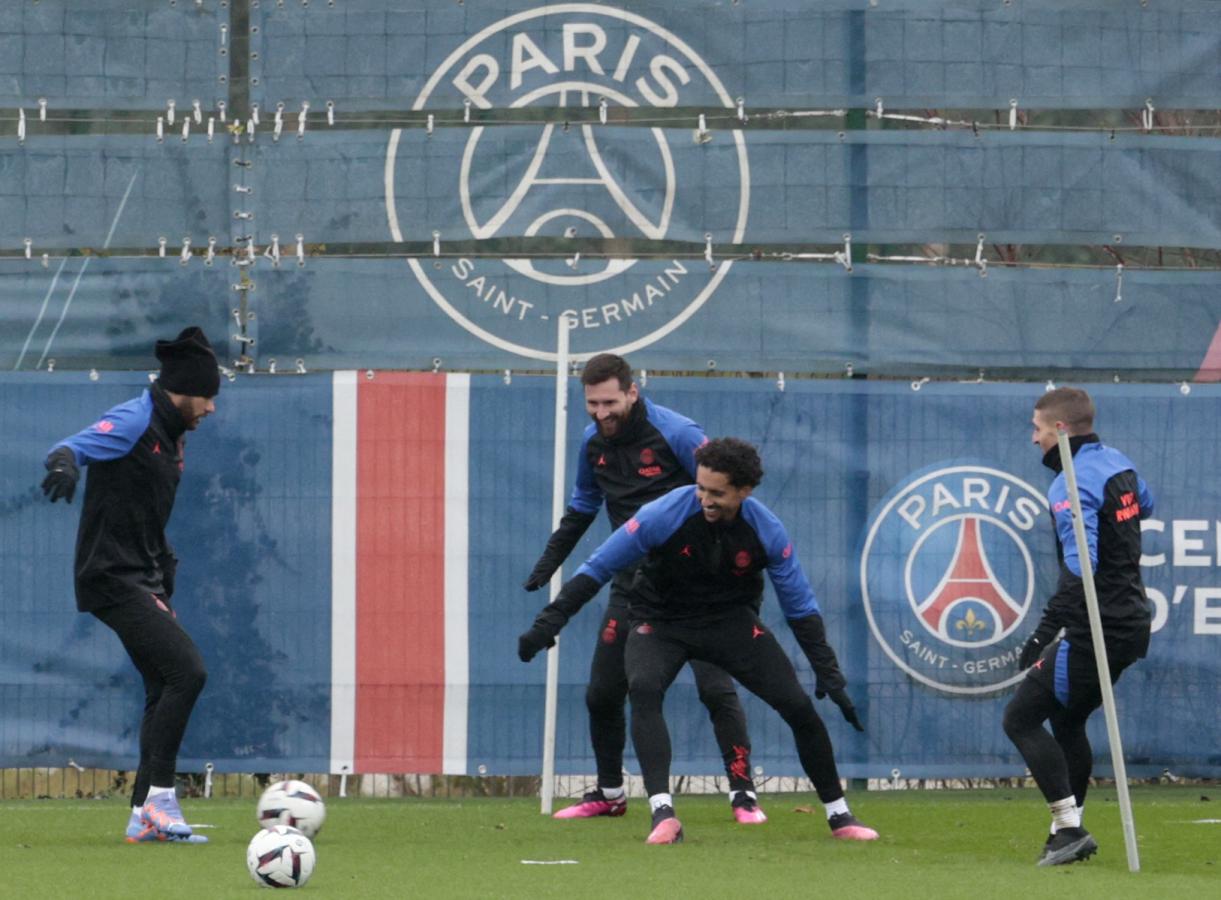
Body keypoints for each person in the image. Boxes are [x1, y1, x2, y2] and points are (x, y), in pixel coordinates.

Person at [519, 437, 876, 845]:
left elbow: (800, 606)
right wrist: (551, 620)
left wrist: (828, 672)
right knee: (644, 688)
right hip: (659, 621)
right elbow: (599, 565)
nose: (705, 499)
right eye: (701, 488)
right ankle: (663, 815)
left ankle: (839, 816)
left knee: (798, 706)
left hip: (730, 623)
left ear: (745, 491)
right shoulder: (662, 514)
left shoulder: (767, 530)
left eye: (718, 493)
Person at [524, 354, 766, 823]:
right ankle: (611, 794)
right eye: (592, 403)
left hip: (697, 588)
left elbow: (727, 492)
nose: (601, 412)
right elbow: (582, 509)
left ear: (633, 392)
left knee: (716, 688)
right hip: (633, 585)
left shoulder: (678, 434)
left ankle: (742, 793)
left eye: (610, 401)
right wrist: (551, 559)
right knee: (602, 693)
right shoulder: (592, 444)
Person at [41, 326, 221, 844]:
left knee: (165, 682)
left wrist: (161, 561)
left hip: (138, 574)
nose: (210, 407)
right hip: (111, 575)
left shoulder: (173, 429)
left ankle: (144, 815)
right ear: (182, 391)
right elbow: (71, 446)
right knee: (188, 671)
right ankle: (161, 801)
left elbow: (144, 507)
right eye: (206, 396)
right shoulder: (136, 418)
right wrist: (64, 465)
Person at [1003, 387, 1154, 866]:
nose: (1034, 438)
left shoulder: (1070, 482)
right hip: (1130, 622)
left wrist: (1041, 633)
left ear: (1061, 430)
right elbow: (1144, 505)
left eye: (1038, 428)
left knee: (1020, 717)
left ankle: (1068, 829)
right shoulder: (1118, 463)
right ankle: (1066, 833)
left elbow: (1081, 568)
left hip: (1099, 628)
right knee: (1067, 720)